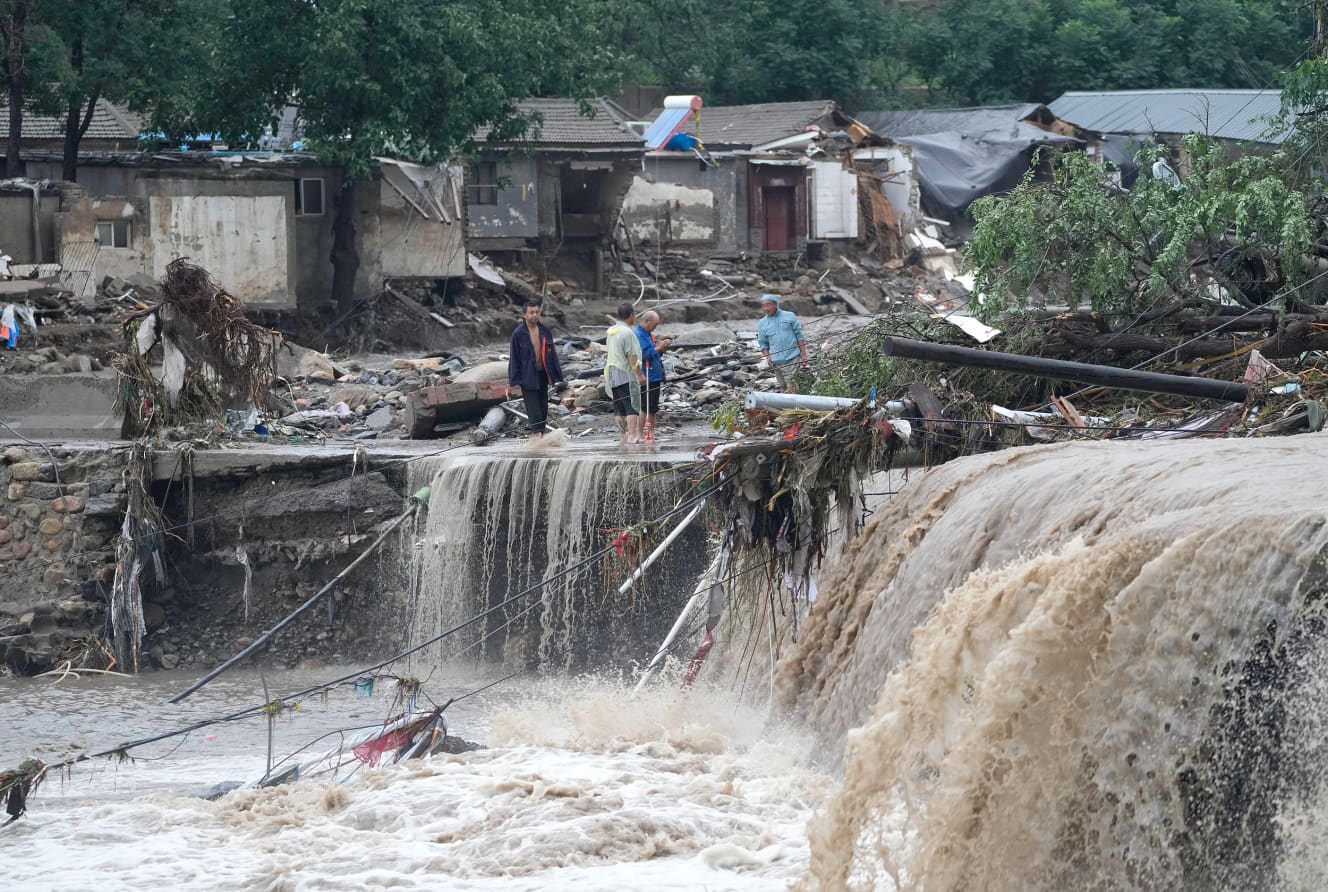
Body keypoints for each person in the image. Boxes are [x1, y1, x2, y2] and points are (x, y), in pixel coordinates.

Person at [507, 300, 565, 437]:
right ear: (524, 315)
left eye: (536, 312)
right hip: (527, 375)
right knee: (533, 406)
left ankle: (541, 432)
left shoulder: (545, 331)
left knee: (543, 404)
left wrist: (557, 374)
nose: (534, 315)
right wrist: (513, 382)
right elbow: (514, 358)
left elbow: (552, 354)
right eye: (531, 312)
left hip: (543, 373)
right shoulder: (518, 334)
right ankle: (537, 434)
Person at [604, 303, 647, 444]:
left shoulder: (611, 331)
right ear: (631, 315)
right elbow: (632, 357)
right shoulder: (627, 332)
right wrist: (640, 374)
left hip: (611, 373)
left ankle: (623, 436)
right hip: (625, 373)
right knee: (631, 407)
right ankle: (632, 436)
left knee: (619, 408)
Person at [634, 309, 674, 442]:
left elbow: (653, 353)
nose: (655, 327)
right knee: (645, 407)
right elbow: (641, 355)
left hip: (654, 374)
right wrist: (658, 348)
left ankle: (650, 433)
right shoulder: (638, 334)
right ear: (646, 321)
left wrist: (661, 348)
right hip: (647, 376)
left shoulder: (647, 334)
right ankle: (640, 434)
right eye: (655, 324)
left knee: (652, 408)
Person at [757, 293, 808, 393]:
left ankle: (795, 405)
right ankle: (785, 407)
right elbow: (763, 343)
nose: (766, 308)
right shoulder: (762, 323)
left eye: (768, 305)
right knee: (782, 387)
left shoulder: (789, 316)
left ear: (775, 304)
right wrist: (768, 357)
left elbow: (799, 336)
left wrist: (804, 355)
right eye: (763, 306)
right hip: (776, 361)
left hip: (792, 357)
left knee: (792, 386)